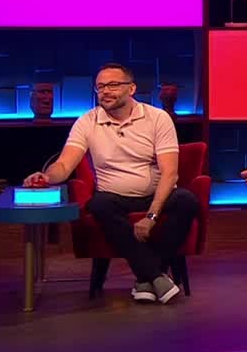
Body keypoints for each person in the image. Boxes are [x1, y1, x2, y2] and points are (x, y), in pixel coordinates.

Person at [24, 62, 197, 304]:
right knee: (98, 204)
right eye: (100, 87)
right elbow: (64, 164)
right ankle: (155, 276)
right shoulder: (87, 121)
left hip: (155, 195)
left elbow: (170, 174)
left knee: (187, 200)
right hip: (114, 198)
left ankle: (146, 278)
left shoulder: (158, 118)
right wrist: (47, 176)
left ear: (131, 88)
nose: (105, 91)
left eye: (113, 85)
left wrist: (151, 217)